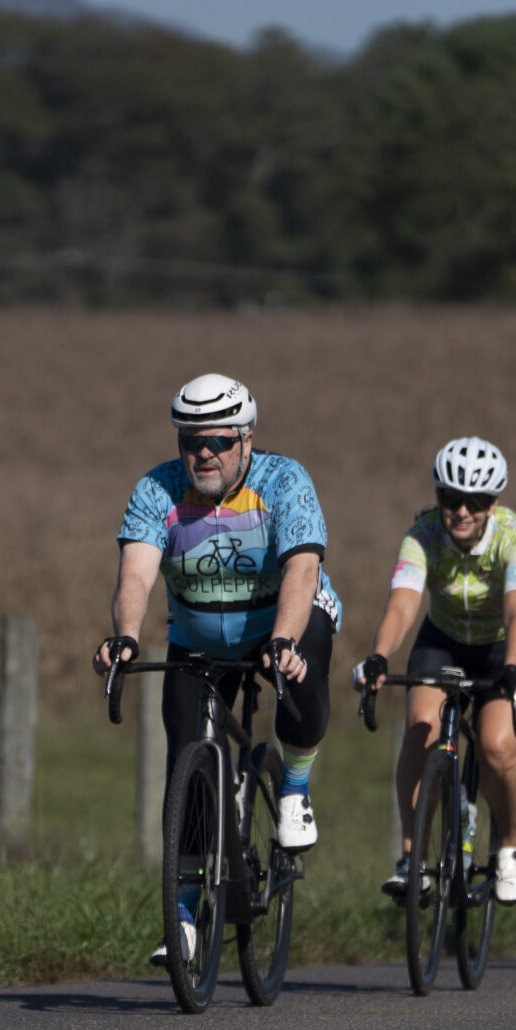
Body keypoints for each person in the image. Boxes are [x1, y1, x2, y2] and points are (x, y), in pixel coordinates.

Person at [95, 373, 340, 968]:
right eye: (191, 441)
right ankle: (181, 916)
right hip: (199, 636)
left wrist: (283, 639)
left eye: (219, 442)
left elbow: (302, 571)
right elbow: (136, 574)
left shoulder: (286, 482)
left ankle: (295, 785)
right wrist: (126, 636)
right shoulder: (159, 490)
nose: (203, 453)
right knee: (187, 754)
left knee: (300, 672)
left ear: (247, 439)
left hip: (283, 619)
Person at [353, 438, 516, 907]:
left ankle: (512, 847)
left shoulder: (514, 537)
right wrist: (379, 655)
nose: (461, 510)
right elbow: (403, 604)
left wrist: (513, 667)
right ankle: (412, 859)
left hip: (507, 643)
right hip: (443, 641)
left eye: (476, 501)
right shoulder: (422, 535)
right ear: (437, 495)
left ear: (493, 503)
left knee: (498, 745)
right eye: (450, 498)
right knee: (421, 728)